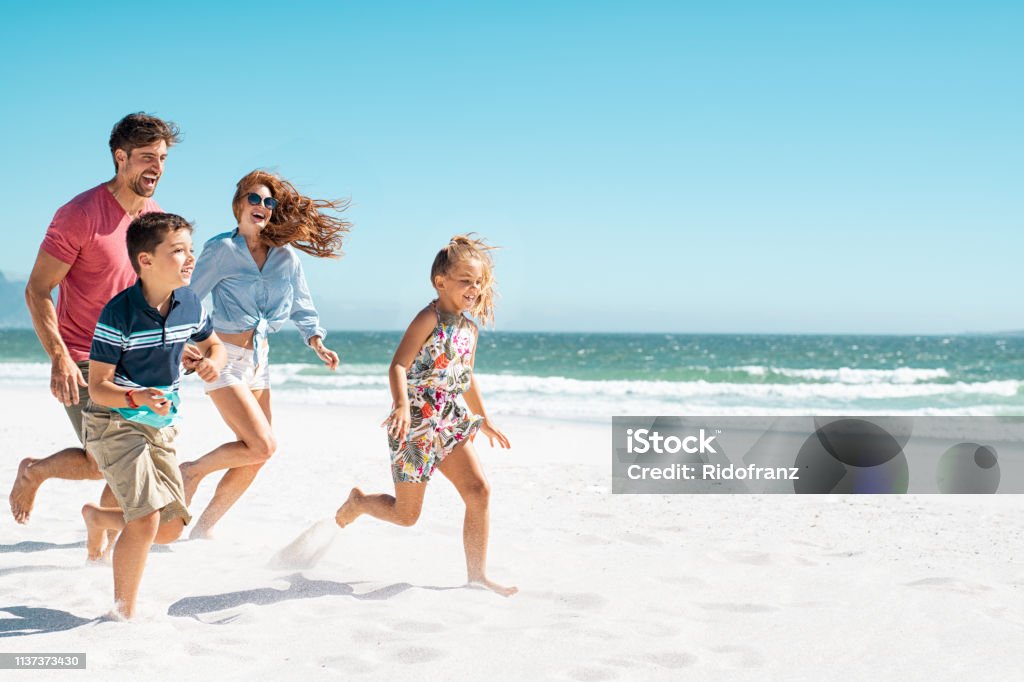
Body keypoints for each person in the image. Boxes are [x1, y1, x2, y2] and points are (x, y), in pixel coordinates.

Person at [11, 113, 181, 527]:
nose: (156, 167)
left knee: (117, 457)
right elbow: (37, 290)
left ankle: (100, 532)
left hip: (135, 358)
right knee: (109, 460)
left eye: (161, 157)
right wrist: (60, 358)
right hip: (85, 358)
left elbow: (149, 290)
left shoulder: (153, 217)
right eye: (146, 157)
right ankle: (35, 474)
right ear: (120, 157)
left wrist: (175, 338)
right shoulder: (79, 214)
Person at [334, 235, 517, 596]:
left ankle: (477, 575)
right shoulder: (427, 318)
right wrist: (401, 405)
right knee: (407, 516)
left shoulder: (469, 329)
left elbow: (465, 379)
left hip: (449, 418)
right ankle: (359, 503)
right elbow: (398, 365)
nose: (473, 288)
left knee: (478, 491)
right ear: (441, 282)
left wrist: (485, 418)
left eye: (478, 282)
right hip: (414, 423)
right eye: (466, 280)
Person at [180, 170, 349, 538]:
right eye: (254, 199)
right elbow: (188, 297)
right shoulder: (221, 250)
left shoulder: (285, 257)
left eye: (268, 202)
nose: (261, 206)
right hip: (222, 357)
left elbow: (303, 304)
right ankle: (191, 471)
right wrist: (182, 342)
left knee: (259, 454)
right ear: (239, 204)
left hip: (259, 362)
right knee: (261, 443)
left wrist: (316, 341)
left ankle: (204, 528)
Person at [80, 212, 225, 620]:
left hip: (160, 423)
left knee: (171, 527)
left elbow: (215, 346)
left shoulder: (190, 303)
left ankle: (97, 518)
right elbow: (98, 386)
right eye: (178, 251)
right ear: (145, 261)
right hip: (114, 420)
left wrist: (213, 360)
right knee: (144, 520)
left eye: (190, 250)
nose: (190, 259)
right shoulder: (118, 314)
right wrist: (137, 396)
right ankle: (121, 614)